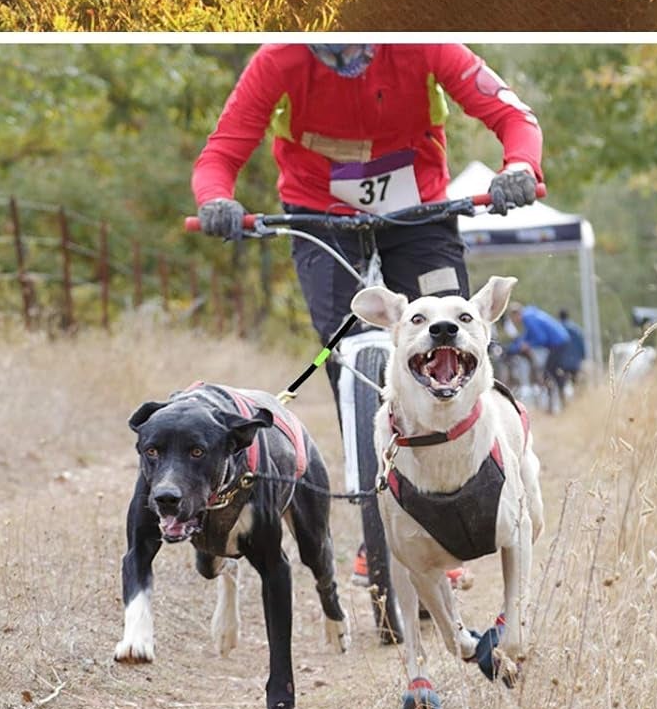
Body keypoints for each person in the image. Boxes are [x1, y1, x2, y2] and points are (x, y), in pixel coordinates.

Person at [191, 43, 544, 583]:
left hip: (420, 214)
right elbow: (221, 152)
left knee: (455, 340)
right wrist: (217, 198)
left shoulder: (426, 45)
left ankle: (458, 513)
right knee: (346, 358)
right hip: (321, 219)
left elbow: (512, 115)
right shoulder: (279, 61)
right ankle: (375, 523)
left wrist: (520, 165)